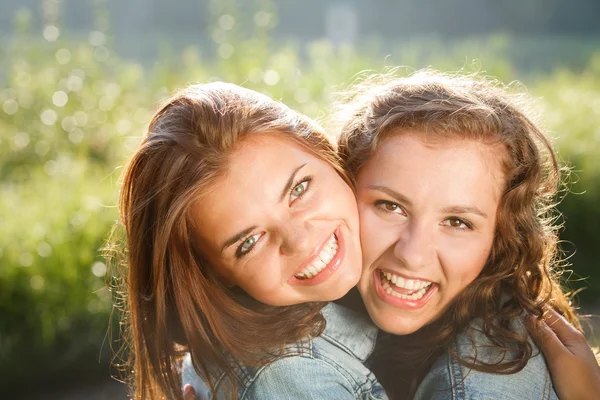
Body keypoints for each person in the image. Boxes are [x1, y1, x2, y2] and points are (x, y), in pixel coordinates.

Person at [111, 82, 385, 400]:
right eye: (249, 242)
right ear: (215, 276)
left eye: (299, 189)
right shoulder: (291, 375)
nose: (298, 240)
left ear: (325, 154)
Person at [335, 70, 588, 399]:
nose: (413, 254)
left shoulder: (489, 381)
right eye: (390, 206)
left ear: (500, 239)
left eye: (457, 222)